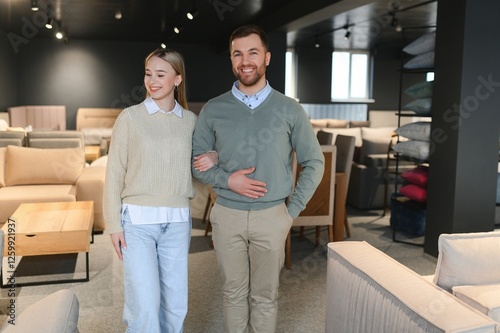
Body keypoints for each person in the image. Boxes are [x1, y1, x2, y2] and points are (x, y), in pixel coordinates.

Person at [191, 25, 325, 333]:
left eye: (252, 52)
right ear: (231, 60)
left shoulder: (289, 109)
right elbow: (197, 165)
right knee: (233, 293)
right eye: (237, 54)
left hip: (272, 216)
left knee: (265, 296)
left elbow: (314, 162)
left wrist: (291, 212)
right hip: (227, 215)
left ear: (266, 58)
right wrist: (228, 180)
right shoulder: (214, 109)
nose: (245, 60)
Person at [104, 48, 216, 333]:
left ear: (177, 79)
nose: (152, 81)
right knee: (145, 304)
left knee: (176, 304)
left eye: (160, 74)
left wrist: (214, 156)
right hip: (137, 224)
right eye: (148, 73)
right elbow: (114, 174)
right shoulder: (129, 119)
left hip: (177, 222)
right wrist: (114, 225)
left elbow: (196, 167)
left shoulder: (190, 122)